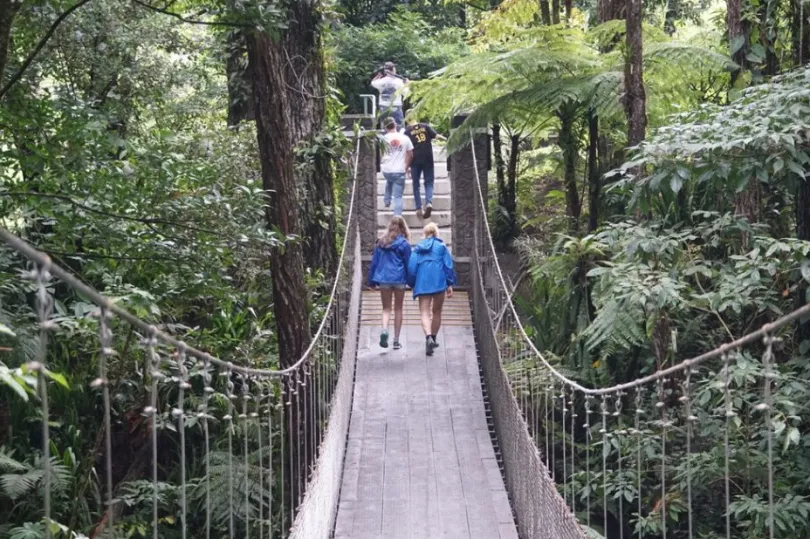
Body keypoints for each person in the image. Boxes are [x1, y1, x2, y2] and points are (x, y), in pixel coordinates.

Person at [407, 223, 456, 356]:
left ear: (425, 234)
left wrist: (412, 283)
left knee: (424, 312)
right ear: (436, 233)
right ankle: (433, 338)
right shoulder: (441, 247)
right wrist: (450, 283)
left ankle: (428, 337)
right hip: (439, 281)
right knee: (437, 311)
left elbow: (411, 268)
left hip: (423, 282)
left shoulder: (418, 248)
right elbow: (448, 266)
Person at [368, 216, 412, 350]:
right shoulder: (404, 244)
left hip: (384, 279)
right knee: (398, 308)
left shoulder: (381, 242)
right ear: (403, 227)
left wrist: (371, 282)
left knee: (386, 309)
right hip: (399, 279)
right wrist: (412, 282)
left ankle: (384, 331)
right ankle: (396, 341)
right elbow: (408, 264)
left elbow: (374, 263)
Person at [405, 117, 446, 219]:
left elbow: (407, 151)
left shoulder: (407, 132)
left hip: (415, 160)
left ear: (407, 120)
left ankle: (418, 207)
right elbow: (437, 136)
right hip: (428, 158)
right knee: (429, 182)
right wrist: (447, 139)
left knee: (416, 185)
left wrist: (407, 166)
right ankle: (428, 203)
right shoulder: (425, 126)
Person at [380, 117, 413, 217]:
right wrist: (406, 167)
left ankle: (387, 200)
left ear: (385, 128)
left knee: (390, 179)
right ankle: (397, 217)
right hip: (399, 171)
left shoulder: (382, 139)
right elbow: (411, 155)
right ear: (395, 125)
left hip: (387, 170)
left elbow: (380, 154)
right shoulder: (405, 138)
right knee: (398, 197)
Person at [371, 61, 408, 130]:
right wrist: (406, 84)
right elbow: (406, 93)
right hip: (396, 106)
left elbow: (373, 83)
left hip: (383, 106)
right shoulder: (398, 81)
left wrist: (378, 76)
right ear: (393, 69)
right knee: (399, 127)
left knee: (386, 126)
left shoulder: (380, 82)